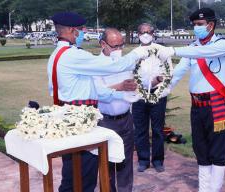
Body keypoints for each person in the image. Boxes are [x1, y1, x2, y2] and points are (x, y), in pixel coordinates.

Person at [47, 12, 149, 192]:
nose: (82, 34)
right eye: (80, 30)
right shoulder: (73, 56)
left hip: (69, 118)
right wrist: (138, 52)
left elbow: (95, 90)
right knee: (84, 177)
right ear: (71, 30)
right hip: (80, 121)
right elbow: (116, 65)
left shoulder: (56, 54)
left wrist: (122, 96)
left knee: (72, 175)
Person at [157, 8, 225, 192]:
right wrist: (163, 89)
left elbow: (206, 52)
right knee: (200, 148)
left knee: (218, 149)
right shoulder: (192, 48)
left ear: (211, 25)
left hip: (216, 104)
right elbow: (179, 71)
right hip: (197, 105)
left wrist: (173, 50)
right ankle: (204, 189)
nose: (196, 28)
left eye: (199, 25)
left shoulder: (223, 44)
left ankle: (214, 189)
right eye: (194, 25)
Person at [94, 28, 137, 192]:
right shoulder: (95, 65)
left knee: (126, 163)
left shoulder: (125, 62)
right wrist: (119, 87)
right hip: (105, 121)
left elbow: (133, 85)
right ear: (103, 44)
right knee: (107, 164)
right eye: (114, 46)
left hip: (126, 119)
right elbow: (97, 92)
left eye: (121, 46)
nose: (119, 50)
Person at [132, 23, 168, 173]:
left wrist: (158, 82)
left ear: (153, 33)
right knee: (140, 129)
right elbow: (130, 74)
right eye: (142, 32)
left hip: (157, 95)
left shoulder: (161, 51)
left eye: (148, 32)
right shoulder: (134, 53)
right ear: (138, 34)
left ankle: (158, 160)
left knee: (158, 130)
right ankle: (143, 160)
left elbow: (168, 74)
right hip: (139, 96)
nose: (145, 34)